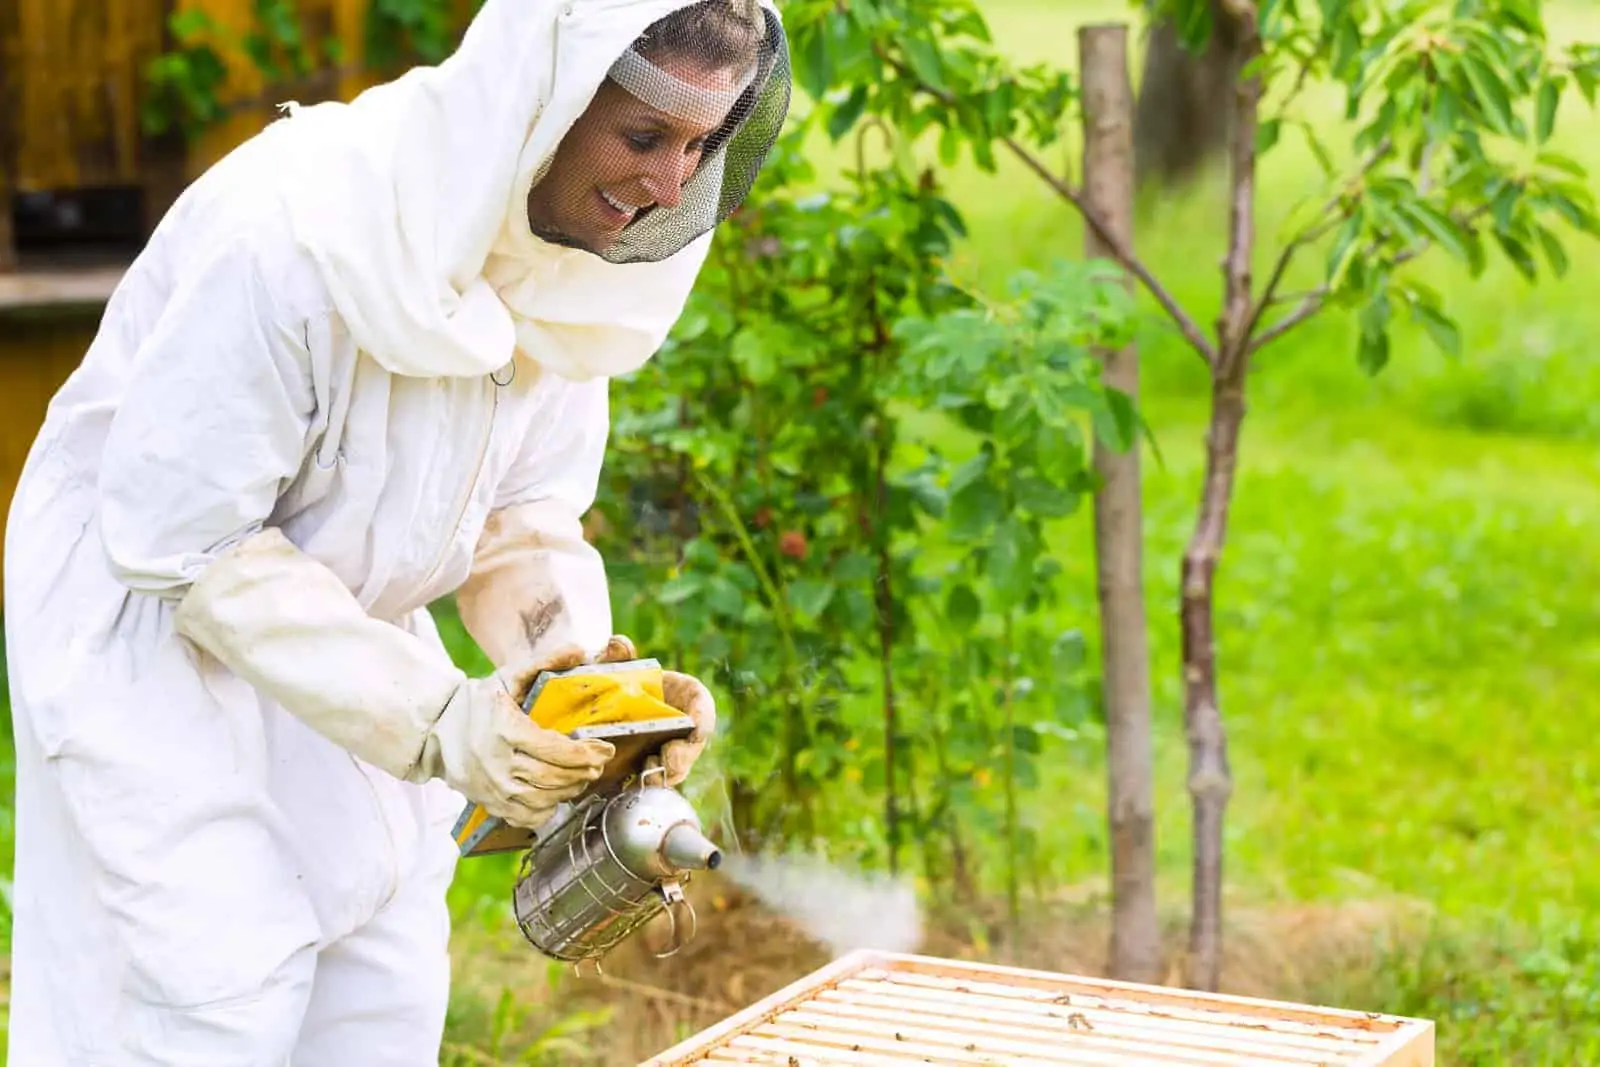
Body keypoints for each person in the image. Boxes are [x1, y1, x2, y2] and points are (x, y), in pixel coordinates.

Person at [0, 0, 791, 1062]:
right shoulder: (292, 234)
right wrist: (441, 724)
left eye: (698, 145)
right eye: (642, 136)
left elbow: (522, 516)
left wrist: (587, 693)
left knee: (381, 983)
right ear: (541, 101)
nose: (668, 185)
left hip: (350, 630)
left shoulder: (567, 263)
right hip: (153, 631)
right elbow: (186, 540)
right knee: (210, 992)